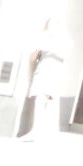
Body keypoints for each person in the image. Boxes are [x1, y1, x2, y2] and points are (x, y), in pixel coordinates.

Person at [25, 12, 70, 141]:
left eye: (55, 23)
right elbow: (32, 57)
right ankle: (36, 132)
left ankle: (40, 133)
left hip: (53, 72)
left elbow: (65, 55)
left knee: (47, 100)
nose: (52, 26)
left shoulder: (62, 40)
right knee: (40, 99)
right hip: (43, 69)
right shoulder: (43, 37)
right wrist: (39, 48)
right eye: (51, 23)